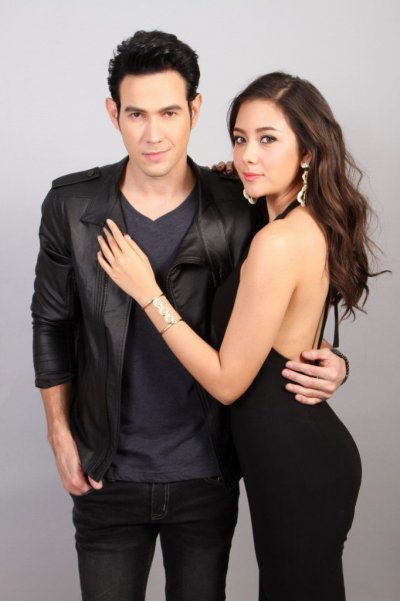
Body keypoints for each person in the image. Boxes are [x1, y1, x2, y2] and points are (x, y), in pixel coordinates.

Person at [32, 30, 347, 601]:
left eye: (170, 112)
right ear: (114, 114)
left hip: (207, 472)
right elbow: (52, 323)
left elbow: (286, 306)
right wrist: (59, 433)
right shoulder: (72, 206)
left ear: (194, 111)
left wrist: (331, 359)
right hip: (109, 472)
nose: (153, 134)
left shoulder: (242, 206)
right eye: (136, 114)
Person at [97, 71, 377, 601]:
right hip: (292, 457)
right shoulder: (292, 220)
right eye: (240, 138)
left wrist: (147, 292)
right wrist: (336, 359)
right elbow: (292, 333)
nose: (248, 155)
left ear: (307, 151)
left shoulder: (279, 241)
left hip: (297, 463)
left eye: (268, 139)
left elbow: (228, 383)